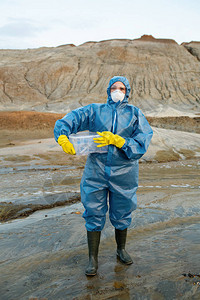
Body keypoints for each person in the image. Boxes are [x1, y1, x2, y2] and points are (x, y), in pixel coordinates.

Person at [54, 76, 153, 276]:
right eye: (114, 88)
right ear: (108, 90)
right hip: (96, 171)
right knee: (93, 211)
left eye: (122, 88)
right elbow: (70, 120)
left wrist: (120, 141)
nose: (118, 91)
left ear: (127, 92)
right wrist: (63, 136)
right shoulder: (94, 110)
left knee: (122, 210)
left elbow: (142, 142)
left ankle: (121, 249)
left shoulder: (135, 114)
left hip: (125, 171)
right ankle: (93, 258)